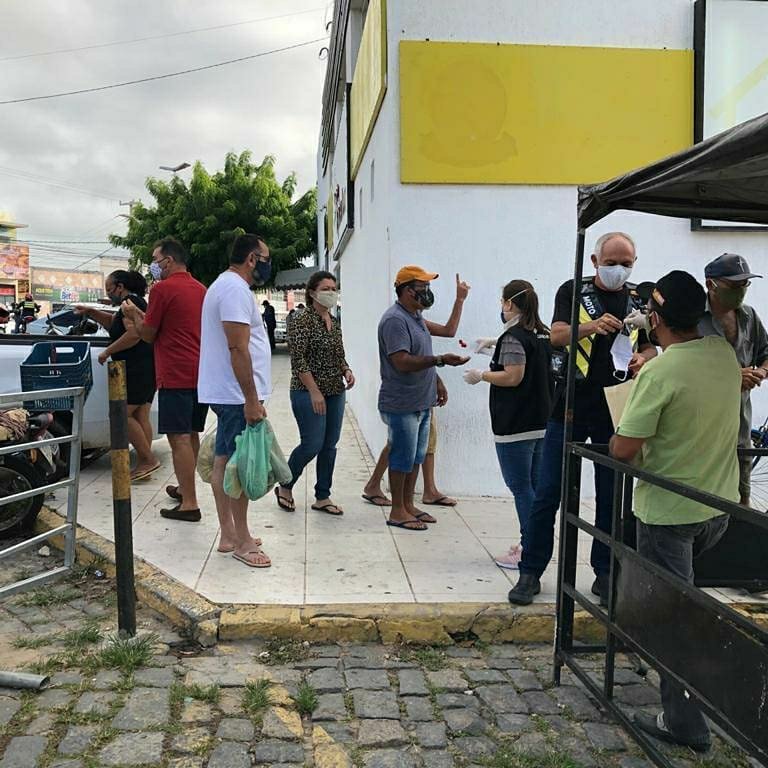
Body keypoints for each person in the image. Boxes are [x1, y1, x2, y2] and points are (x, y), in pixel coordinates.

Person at [610, 271, 740, 753]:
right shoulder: (724, 356)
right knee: (686, 604)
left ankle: (685, 723)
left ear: (656, 319)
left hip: (668, 513)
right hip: (717, 506)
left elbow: (623, 448)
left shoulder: (660, 372)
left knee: (672, 617)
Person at [508, 232, 657, 606]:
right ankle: (530, 570)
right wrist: (591, 326)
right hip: (569, 406)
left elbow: (651, 345)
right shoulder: (573, 290)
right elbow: (557, 336)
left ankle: (605, 572)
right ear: (595, 262)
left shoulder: (637, 297)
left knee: (610, 496)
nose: (618, 270)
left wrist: (644, 358)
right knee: (548, 493)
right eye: (611, 263)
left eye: (626, 263)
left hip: (616, 409)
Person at [463, 280, 553, 569]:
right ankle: (535, 545)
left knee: (521, 487)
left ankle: (529, 550)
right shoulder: (543, 332)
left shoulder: (513, 337)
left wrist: (481, 375)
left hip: (515, 425)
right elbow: (527, 358)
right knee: (535, 487)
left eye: (502, 301)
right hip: (541, 421)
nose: (501, 307)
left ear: (509, 303)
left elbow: (513, 376)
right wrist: (493, 345)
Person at [362, 274, 471, 507]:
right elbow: (402, 361)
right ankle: (399, 509)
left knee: (413, 456)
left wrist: (459, 300)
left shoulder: (416, 317)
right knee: (402, 456)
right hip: (403, 401)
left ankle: (407, 507)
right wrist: (440, 360)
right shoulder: (395, 320)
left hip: (421, 399)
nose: (428, 291)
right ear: (408, 290)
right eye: (423, 286)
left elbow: (448, 331)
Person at [198, 233, 272, 567]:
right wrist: (251, 399)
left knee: (223, 461)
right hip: (235, 395)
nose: (268, 266)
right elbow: (237, 347)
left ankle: (229, 534)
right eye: (265, 259)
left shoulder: (227, 286)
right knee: (238, 467)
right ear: (252, 258)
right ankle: (242, 541)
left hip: (231, 393)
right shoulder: (233, 289)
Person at [122, 237, 207, 522]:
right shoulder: (200, 289)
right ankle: (185, 489)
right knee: (191, 434)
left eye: (155, 261)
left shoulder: (162, 289)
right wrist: (142, 316)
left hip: (175, 373)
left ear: (168, 261)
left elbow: (148, 334)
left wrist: (133, 315)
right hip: (200, 373)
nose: (153, 266)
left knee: (178, 438)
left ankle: (190, 503)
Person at [276, 271, 354, 515]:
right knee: (312, 444)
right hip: (306, 391)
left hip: (335, 391)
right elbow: (298, 360)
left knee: (330, 445)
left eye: (334, 288)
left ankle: (323, 496)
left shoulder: (334, 321)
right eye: (326, 288)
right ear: (312, 293)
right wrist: (314, 391)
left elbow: (339, 353)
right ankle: (285, 485)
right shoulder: (302, 320)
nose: (331, 293)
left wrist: (346, 369)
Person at [699, 253, 768, 507]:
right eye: (733, 285)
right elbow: (680, 368)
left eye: (744, 284)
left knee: (742, 498)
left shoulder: (748, 317)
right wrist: (731, 378)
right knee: (704, 497)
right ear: (711, 284)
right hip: (702, 425)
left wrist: (760, 372)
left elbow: (766, 353)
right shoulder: (693, 318)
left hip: (740, 424)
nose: (740, 291)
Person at [76, 271, 159, 481]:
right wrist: (91, 311)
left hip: (136, 368)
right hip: (147, 366)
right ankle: (145, 465)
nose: (108, 294)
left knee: (121, 414)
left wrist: (108, 351)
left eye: (109, 289)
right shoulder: (136, 302)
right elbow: (113, 322)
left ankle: (148, 460)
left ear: (120, 287)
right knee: (140, 416)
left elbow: (133, 334)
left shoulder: (129, 303)